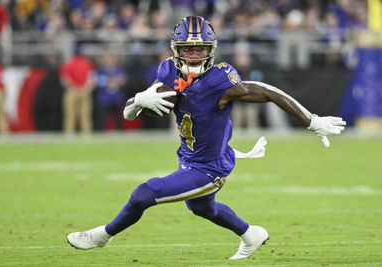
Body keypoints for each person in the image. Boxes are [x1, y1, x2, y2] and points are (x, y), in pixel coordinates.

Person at [67, 16, 346, 260]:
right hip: (189, 156)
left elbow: (266, 91)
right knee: (202, 207)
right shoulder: (167, 71)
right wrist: (139, 99)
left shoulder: (219, 80)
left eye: (200, 49)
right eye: (188, 49)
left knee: (144, 193)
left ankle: (102, 236)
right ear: (176, 50)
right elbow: (133, 113)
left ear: (211, 50)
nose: (194, 55)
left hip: (210, 168)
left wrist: (311, 120)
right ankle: (251, 234)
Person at [59, 47, 95, 134]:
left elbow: (64, 79)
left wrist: (74, 89)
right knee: (85, 116)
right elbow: (91, 79)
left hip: (72, 92)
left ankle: (69, 134)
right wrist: (83, 90)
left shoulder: (68, 63)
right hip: (85, 92)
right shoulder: (87, 64)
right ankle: (87, 135)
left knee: (70, 116)